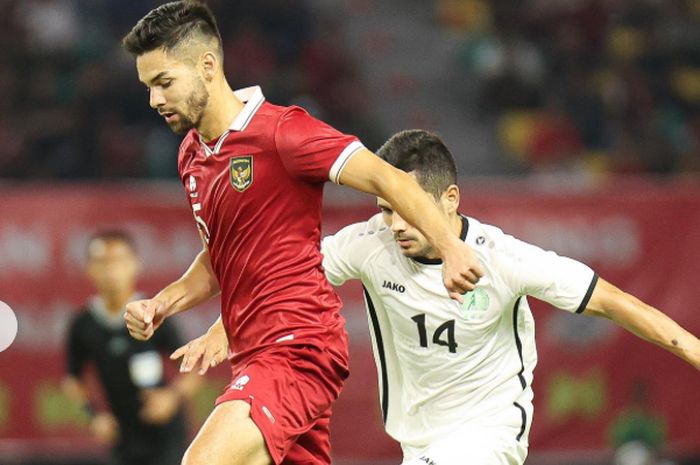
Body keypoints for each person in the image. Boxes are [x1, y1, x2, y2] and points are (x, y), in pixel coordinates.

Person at [177, 130, 700, 465]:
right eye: (385, 208)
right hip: (417, 442)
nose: (395, 224)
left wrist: (692, 349)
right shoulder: (369, 245)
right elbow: (285, 281)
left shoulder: (504, 258)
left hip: (487, 436)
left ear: (450, 199)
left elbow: (613, 302)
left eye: (408, 209)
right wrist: (222, 330)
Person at [120, 3, 483, 465]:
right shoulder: (192, 155)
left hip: (297, 346)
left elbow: (388, 179)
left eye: (164, 82)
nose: (154, 100)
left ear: (208, 66)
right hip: (253, 354)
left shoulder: (283, 132)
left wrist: (451, 247)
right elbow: (220, 256)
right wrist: (162, 303)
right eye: (148, 87)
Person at [63, 230, 202, 465]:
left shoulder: (153, 314)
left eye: (118, 260)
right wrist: (93, 415)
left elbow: (193, 366)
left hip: (165, 436)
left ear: (134, 265)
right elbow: (72, 379)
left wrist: (171, 398)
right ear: (89, 268)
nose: (111, 270)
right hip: (122, 436)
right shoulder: (83, 324)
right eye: (102, 262)